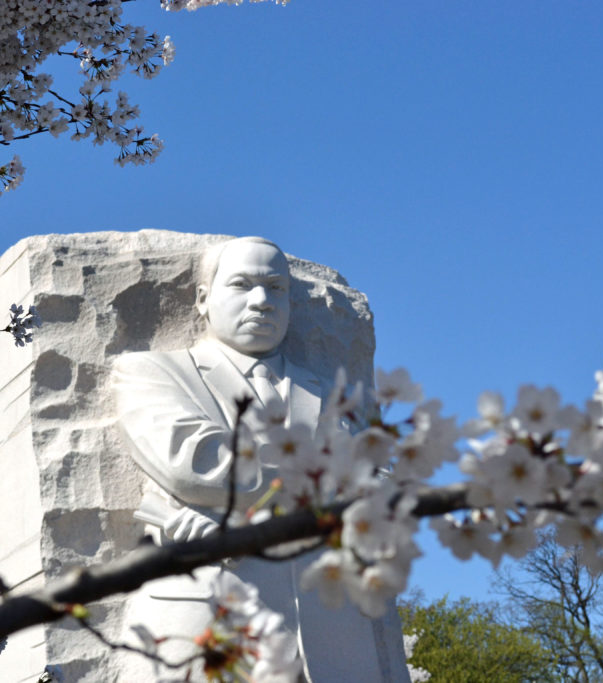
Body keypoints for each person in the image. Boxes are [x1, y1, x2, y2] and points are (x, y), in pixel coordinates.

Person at [111, 237, 409, 681]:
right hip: (210, 622)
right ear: (202, 299)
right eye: (241, 284)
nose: (262, 302)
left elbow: (383, 485)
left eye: (275, 287)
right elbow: (196, 463)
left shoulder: (336, 394)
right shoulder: (153, 373)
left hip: (340, 641)